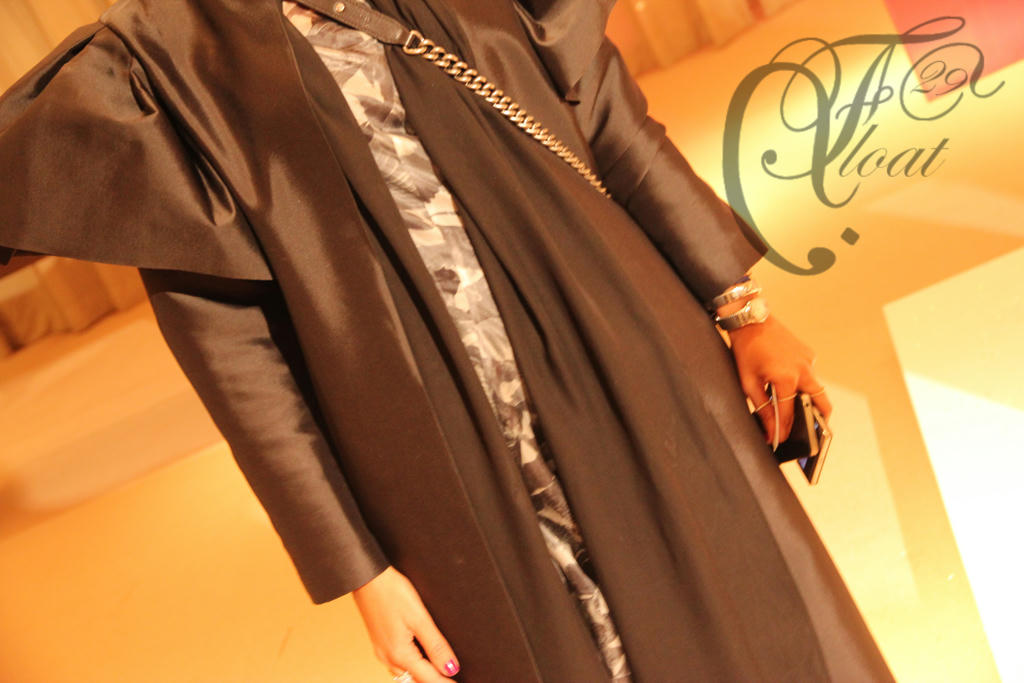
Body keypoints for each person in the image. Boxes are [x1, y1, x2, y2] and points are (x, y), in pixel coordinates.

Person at [0, 0, 896, 680]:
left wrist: (744, 309)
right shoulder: (158, 66)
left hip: (633, 360)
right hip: (438, 464)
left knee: (749, 614)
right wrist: (361, 571)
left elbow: (611, 126)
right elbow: (235, 353)